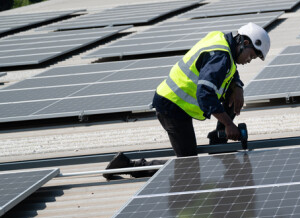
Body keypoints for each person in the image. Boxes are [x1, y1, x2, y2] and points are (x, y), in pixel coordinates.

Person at [103, 22, 270, 180]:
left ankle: (218, 139)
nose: (249, 60)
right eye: (252, 55)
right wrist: (228, 124)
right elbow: (205, 94)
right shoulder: (221, 57)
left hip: (179, 103)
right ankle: (129, 165)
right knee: (188, 167)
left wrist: (238, 86)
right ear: (244, 42)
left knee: (233, 95)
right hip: (171, 106)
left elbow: (228, 71)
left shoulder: (221, 40)